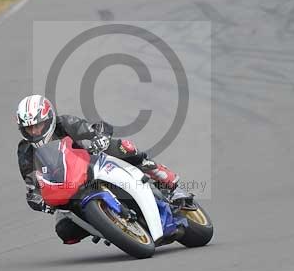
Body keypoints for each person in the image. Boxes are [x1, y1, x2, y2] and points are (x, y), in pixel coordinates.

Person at [16, 94, 191, 244]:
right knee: (65, 231)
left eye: (37, 125)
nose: (34, 131)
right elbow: (32, 184)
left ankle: (166, 180)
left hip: (90, 164)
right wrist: (40, 201)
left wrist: (100, 138)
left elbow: (94, 129)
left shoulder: (65, 123)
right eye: (29, 128)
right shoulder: (25, 151)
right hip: (67, 189)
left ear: (49, 119)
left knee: (124, 148)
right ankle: (107, 226)